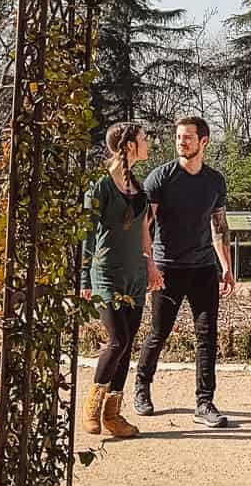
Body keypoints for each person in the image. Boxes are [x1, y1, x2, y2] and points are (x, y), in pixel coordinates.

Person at [132, 114, 236, 428]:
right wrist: (149, 263)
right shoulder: (160, 178)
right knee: (159, 333)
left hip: (203, 268)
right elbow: (144, 225)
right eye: (179, 137)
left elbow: (218, 226)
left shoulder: (215, 181)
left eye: (188, 137)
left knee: (207, 335)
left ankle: (204, 403)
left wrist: (226, 268)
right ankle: (141, 386)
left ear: (203, 142)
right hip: (167, 267)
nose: (181, 142)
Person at [80, 122, 164, 439]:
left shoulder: (139, 189)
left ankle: (113, 416)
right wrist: (85, 277)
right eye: (143, 139)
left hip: (135, 276)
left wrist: (152, 267)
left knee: (126, 345)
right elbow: (87, 233)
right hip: (106, 274)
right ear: (129, 145)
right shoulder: (100, 187)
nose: (147, 143)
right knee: (116, 340)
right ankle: (93, 405)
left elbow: (145, 232)